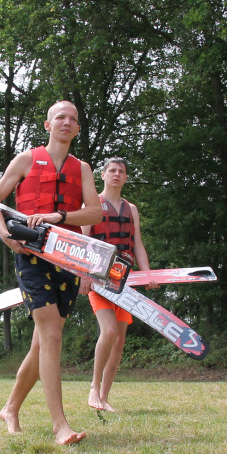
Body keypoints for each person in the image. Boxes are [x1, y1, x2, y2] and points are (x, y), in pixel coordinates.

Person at [0, 100, 103, 445]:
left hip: (68, 259)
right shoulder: (25, 160)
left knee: (41, 345)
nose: (66, 123)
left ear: (77, 129)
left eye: (73, 119)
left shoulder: (82, 168)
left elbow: (94, 213)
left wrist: (61, 217)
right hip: (31, 256)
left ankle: (10, 408)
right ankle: (59, 426)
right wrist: (5, 236)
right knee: (51, 335)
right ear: (48, 125)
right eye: (60, 118)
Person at [83, 157, 157, 412]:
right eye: (112, 170)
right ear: (102, 175)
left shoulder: (131, 209)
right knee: (109, 331)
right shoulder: (91, 205)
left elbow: (137, 244)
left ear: (125, 177)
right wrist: (83, 276)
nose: (116, 174)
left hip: (125, 281)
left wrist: (147, 274)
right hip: (98, 280)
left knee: (120, 339)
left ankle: (104, 397)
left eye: (121, 171)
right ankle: (93, 388)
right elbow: (82, 243)